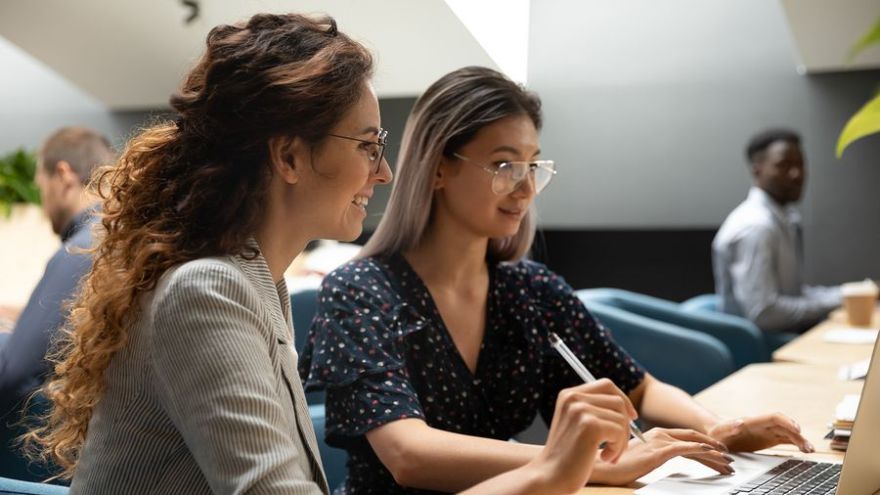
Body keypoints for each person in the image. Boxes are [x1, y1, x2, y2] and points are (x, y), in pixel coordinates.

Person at [25, 14, 642, 495]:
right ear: (289, 157)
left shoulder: (251, 280)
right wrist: (545, 472)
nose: (385, 171)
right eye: (369, 145)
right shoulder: (207, 292)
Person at [299, 67, 814, 494]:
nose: (525, 189)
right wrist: (576, 461)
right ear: (437, 167)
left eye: (533, 165)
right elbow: (409, 455)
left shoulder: (530, 289)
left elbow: (638, 387)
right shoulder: (360, 290)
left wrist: (714, 427)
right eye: (504, 165)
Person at [0, 127, 111, 417]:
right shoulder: (114, 236)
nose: (43, 202)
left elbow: (15, 373)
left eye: (41, 187)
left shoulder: (82, 248)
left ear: (63, 176)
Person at [713, 129, 842, 334]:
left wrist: (849, 295)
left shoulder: (784, 219)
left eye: (800, 164)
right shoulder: (756, 227)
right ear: (757, 169)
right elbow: (764, 313)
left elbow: (793, 294)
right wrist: (835, 303)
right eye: (783, 165)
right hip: (764, 349)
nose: (796, 174)